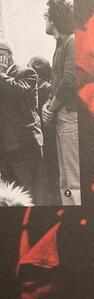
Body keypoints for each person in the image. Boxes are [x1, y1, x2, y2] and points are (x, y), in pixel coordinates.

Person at [40, 0, 81, 204]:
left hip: (69, 117)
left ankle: (77, 212)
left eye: (46, 15)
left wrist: (50, 108)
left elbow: (69, 80)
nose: (44, 18)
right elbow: (56, 82)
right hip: (62, 118)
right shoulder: (60, 44)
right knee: (65, 180)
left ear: (54, 18)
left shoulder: (72, 41)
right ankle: (69, 208)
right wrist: (48, 105)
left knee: (74, 179)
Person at [0, 39, 46, 204]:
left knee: (30, 194)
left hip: (24, 146)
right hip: (5, 149)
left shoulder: (27, 73)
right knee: (10, 197)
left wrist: (1, 74)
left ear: (7, 55)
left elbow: (20, 93)